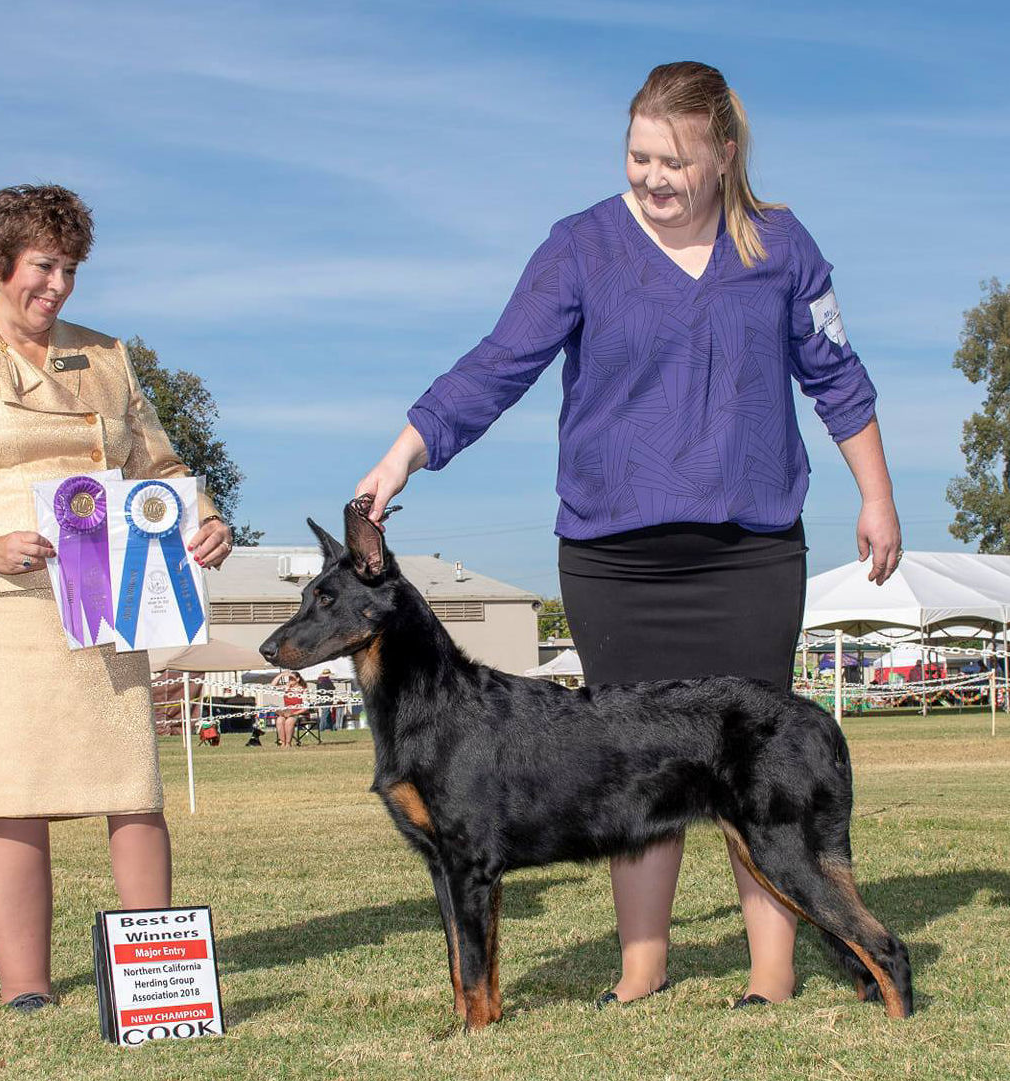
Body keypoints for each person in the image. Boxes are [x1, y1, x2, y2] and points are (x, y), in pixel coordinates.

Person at [356, 62, 903, 1009]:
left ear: (724, 154)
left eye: (674, 161)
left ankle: (769, 977)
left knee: (746, 768)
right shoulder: (580, 247)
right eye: (637, 155)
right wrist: (405, 452)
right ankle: (640, 968)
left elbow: (837, 377)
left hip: (749, 548)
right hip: (615, 556)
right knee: (630, 767)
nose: (651, 177)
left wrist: (876, 495)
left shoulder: (780, 244)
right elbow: (501, 362)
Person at [0, 184, 234, 1013]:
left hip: (106, 603)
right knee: (9, 797)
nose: (59, 284)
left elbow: (162, 469)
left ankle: (157, 983)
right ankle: (25, 987)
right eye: (43, 265)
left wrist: (203, 518)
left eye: (70, 267)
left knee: (131, 785)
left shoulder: (105, 355)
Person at [270, 671, 308, 747]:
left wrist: (293, 714)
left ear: (297, 679)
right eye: (289, 679)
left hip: (298, 713)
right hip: (286, 712)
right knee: (279, 720)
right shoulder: (286, 688)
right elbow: (272, 686)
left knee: (289, 722)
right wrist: (281, 675)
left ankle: (288, 743)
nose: (290, 681)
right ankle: (282, 743)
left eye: (292, 679)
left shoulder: (304, 690)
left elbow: (305, 708)